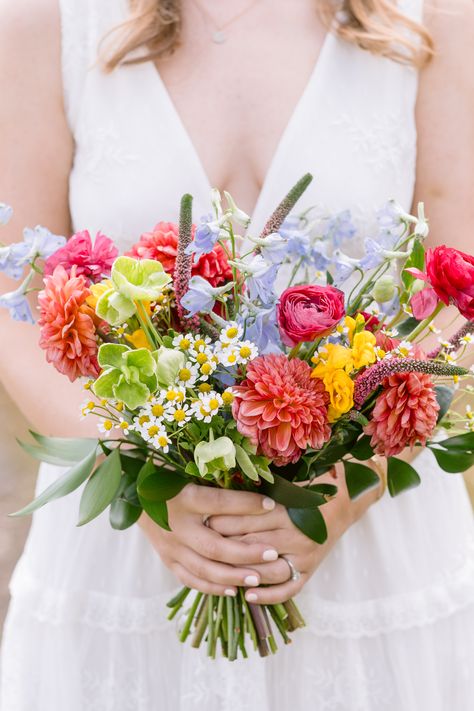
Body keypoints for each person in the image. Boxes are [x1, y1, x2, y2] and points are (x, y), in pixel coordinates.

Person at [0, 1, 473, 709]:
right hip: (127, 556)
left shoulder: (435, 14)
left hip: (368, 549)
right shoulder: (48, 20)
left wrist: (345, 490)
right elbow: (14, 298)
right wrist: (142, 479)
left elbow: (459, 295)